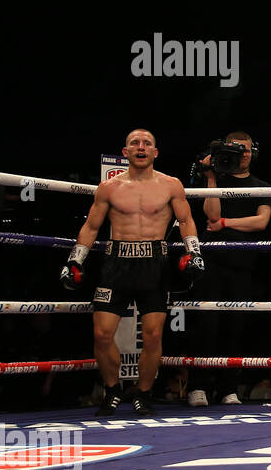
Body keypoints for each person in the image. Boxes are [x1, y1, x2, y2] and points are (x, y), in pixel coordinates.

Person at [60, 129, 203, 416]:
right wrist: (74, 260)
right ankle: (112, 389)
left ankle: (144, 392)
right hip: (116, 263)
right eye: (135, 143)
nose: (141, 147)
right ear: (125, 152)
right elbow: (91, 227)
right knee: (101, 334)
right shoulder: (109, 188)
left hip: (155, 264)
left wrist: (194, 253)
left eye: (147, 143)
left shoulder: (171, 185)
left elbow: (186, 220)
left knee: (152, 335)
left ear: (155, 152)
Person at [189, 130, 271, 406]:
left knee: (235, 328)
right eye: (237, 149)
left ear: (254, 152)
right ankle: (198, 386)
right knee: (206, 326)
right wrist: (212, 177)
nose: (243, 154)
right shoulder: (216, 181)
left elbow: (261, 222)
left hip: (243, 264)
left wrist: (225, 224)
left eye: (247, 149)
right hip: (213, 262)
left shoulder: (261, 185)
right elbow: (211, 214)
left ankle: (229, 388)